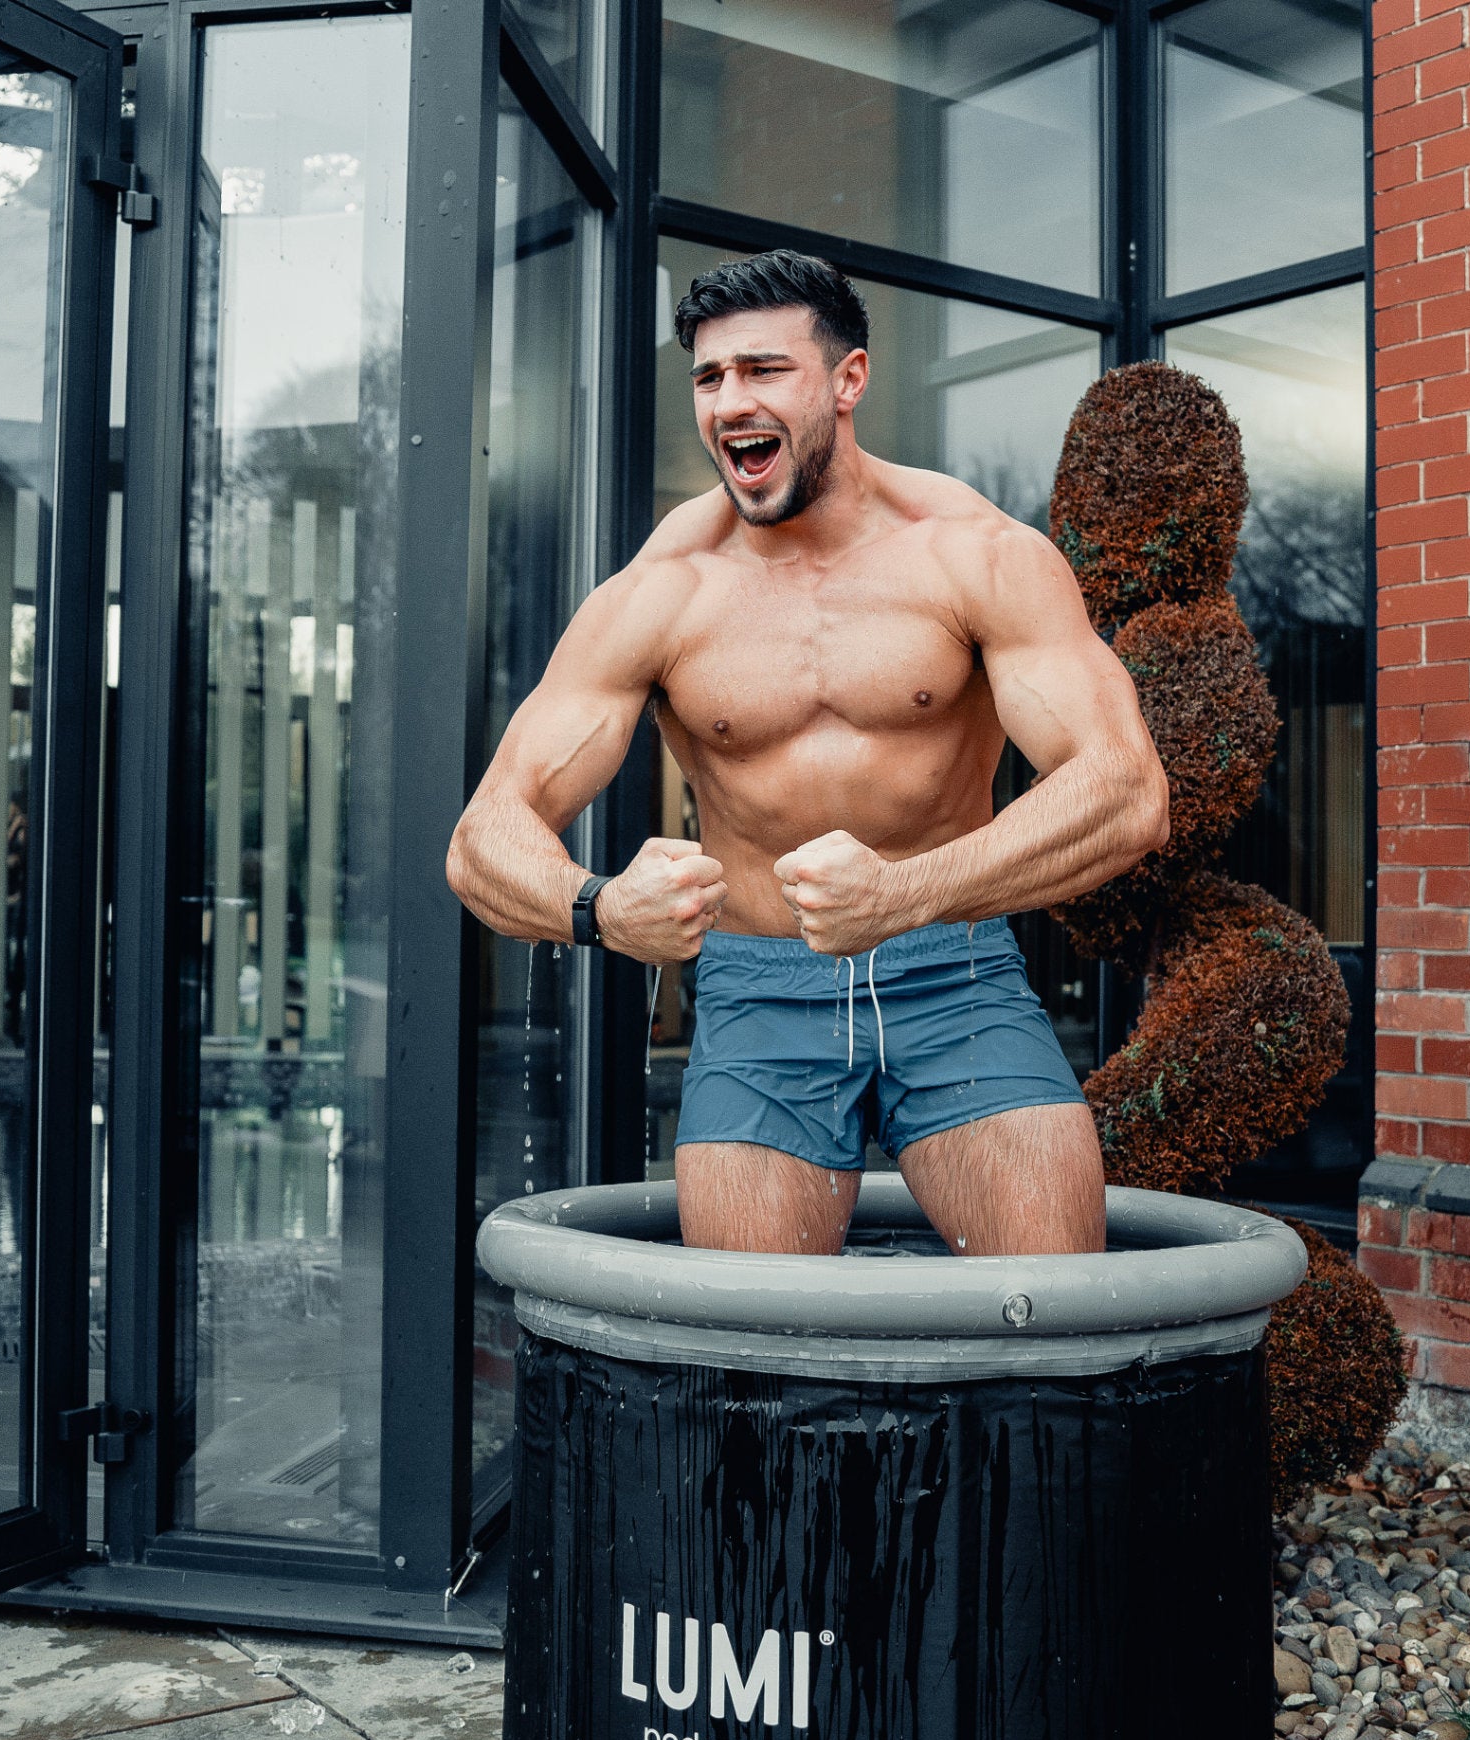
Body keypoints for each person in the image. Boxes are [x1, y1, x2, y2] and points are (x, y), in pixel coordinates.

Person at [447, 250, 1167, 1256]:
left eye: (763, 369)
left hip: (954, 974)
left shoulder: (976, 555)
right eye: (709, 377)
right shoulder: (664, 590)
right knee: (748, 1333)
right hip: (757, 993)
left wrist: (907, 893)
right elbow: (483, 836)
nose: (729, 402)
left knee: (1049, 1301)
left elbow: (1126, 789)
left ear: (847, 378)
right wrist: (600, 909)